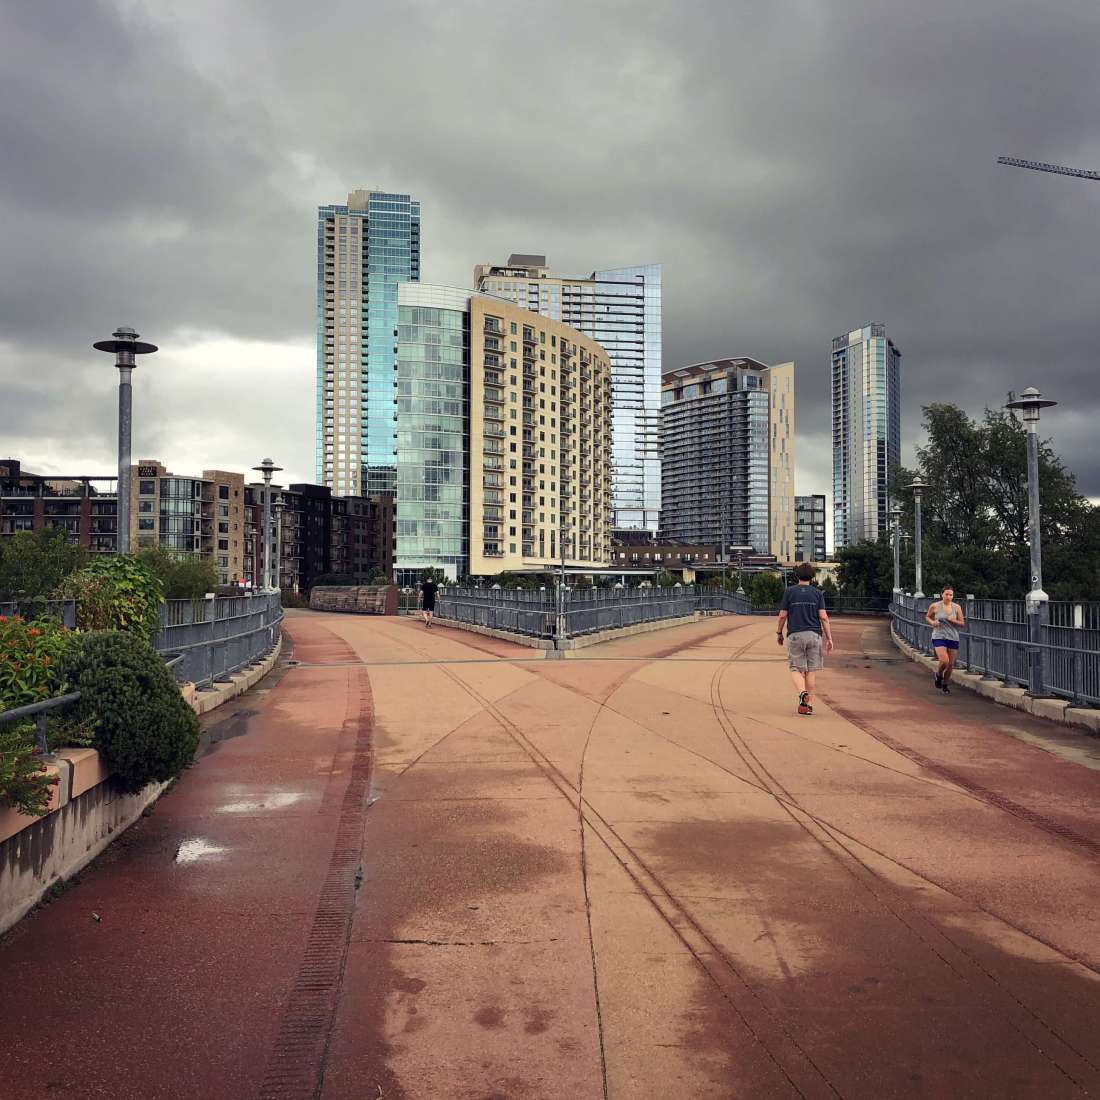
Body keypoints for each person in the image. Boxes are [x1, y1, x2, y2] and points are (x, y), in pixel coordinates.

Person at [776, 562, 834, 715]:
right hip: (814, 635)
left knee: (796, 668)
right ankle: (808, 705)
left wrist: (779, 633)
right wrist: (829, 638)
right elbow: (823, 617)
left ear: (797, 575)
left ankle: (802, 693)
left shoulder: (789, 592)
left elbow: (783, 615)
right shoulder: (817, 594)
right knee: (811, 671)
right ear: (812, 576)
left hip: (795, 634)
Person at [925, 586, 965, 693]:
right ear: (942, 594)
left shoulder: (957, 607)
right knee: (944, 661)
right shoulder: (935, 606)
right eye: (946, 594)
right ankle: (938, 675)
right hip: (939, 636)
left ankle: (945, 684)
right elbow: (927, 616)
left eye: (951, 595)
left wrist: (954, 620)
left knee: (950, 664)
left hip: (953, 637)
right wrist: (932, 622)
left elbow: (962, 623)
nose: (948, 597)